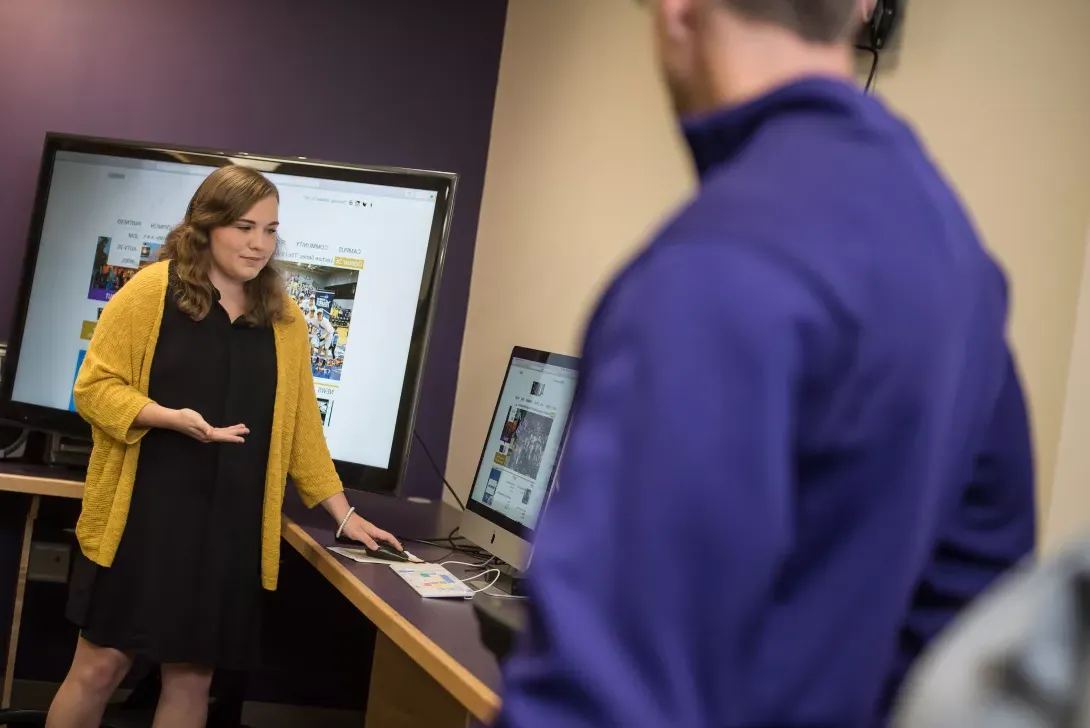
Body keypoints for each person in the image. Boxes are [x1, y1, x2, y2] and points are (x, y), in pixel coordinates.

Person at [495, 1, 1036, 727]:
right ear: (859, 9)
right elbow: (977, 616)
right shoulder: (956, 254)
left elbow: (594, 698)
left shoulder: (706, 272)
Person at [48, 165, 401, 728]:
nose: (259, 244)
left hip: (230, 530)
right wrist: (169, 418)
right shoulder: (151, 292)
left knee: (192, 682)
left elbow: (302, 428)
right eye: (244, 227)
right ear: (206, 225)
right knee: (99, 670)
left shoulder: (285, 320)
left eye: (270, 230)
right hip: (144, 522)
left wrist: (343, 513)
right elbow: (93, 388)